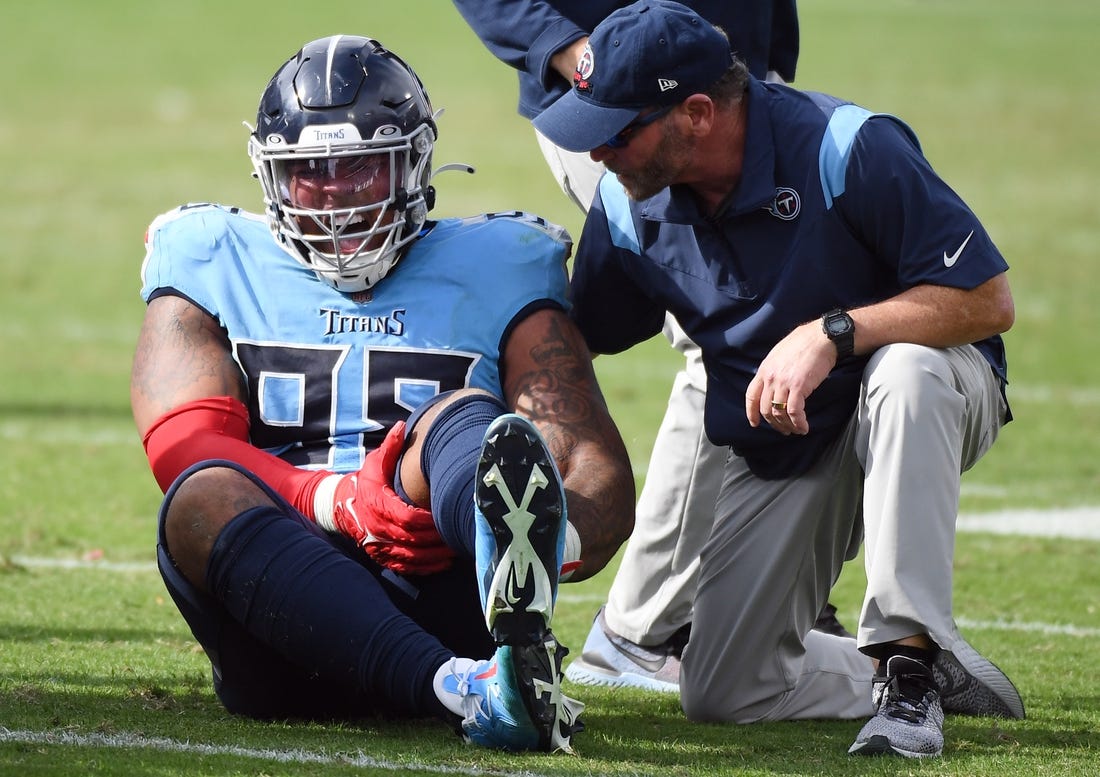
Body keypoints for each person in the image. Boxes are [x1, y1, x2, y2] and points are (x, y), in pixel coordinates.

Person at [532, 0, 1025, 758]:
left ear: (697, 113)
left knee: (906, 371)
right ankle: (920, 667)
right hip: (793, 436)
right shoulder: (628, 208)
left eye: (618, 131)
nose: (598, 153)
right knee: (725, 689)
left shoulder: (847, 146)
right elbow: (579, 338)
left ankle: (910, 665)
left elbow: (988, 301)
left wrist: (834, 332)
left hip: (931, 392)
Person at [129, 34, 636, 754]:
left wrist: (545, 546)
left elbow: (592, 464)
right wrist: (341, 502)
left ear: (414, 163)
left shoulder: (502, 263)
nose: (334, 193)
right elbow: (186, 447)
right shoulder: (208, 253)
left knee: (465, 418)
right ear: (269, 175)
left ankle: (502, 570)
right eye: (310, 172)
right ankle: (468, 689)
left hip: (441, 579)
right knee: (199, 495)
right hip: (274, 606)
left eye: (360, 167)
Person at [452, 0, 849, 696]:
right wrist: (565, 47)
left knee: (790, 325)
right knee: (725, 337)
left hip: (731, 92)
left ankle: (774, 589)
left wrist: (766, 67)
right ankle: (637, 631)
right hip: (621, 100)